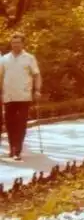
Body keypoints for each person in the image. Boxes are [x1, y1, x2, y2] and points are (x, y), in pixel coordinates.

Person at [0, 33, 42, 161]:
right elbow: (1, 77)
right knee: (10, 124)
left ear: (23, 44)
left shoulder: (29, 58)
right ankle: (12, 148)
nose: (15, 45)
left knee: (21, 124)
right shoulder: (4, 59)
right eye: (13, 43)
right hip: (9, 96)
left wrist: (37, 90)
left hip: (24, 96)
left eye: (18, 43)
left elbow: (37, 75)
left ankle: (17, 150)